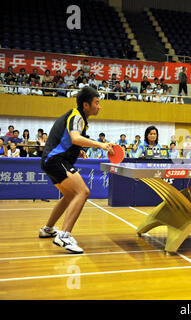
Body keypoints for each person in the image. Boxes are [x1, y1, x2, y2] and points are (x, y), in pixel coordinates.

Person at [39, 86, 114, 254]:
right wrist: (101, 144)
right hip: (56, 160)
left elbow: (68, 140)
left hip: (51, 160)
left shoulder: (78, 118)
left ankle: (48, 228)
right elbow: (75, 137)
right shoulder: (76, 116)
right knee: (83, 192)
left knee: (71, 195)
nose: (99, 106)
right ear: (86, 105)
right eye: (96, 102)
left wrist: (77, 151)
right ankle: (64, 236)